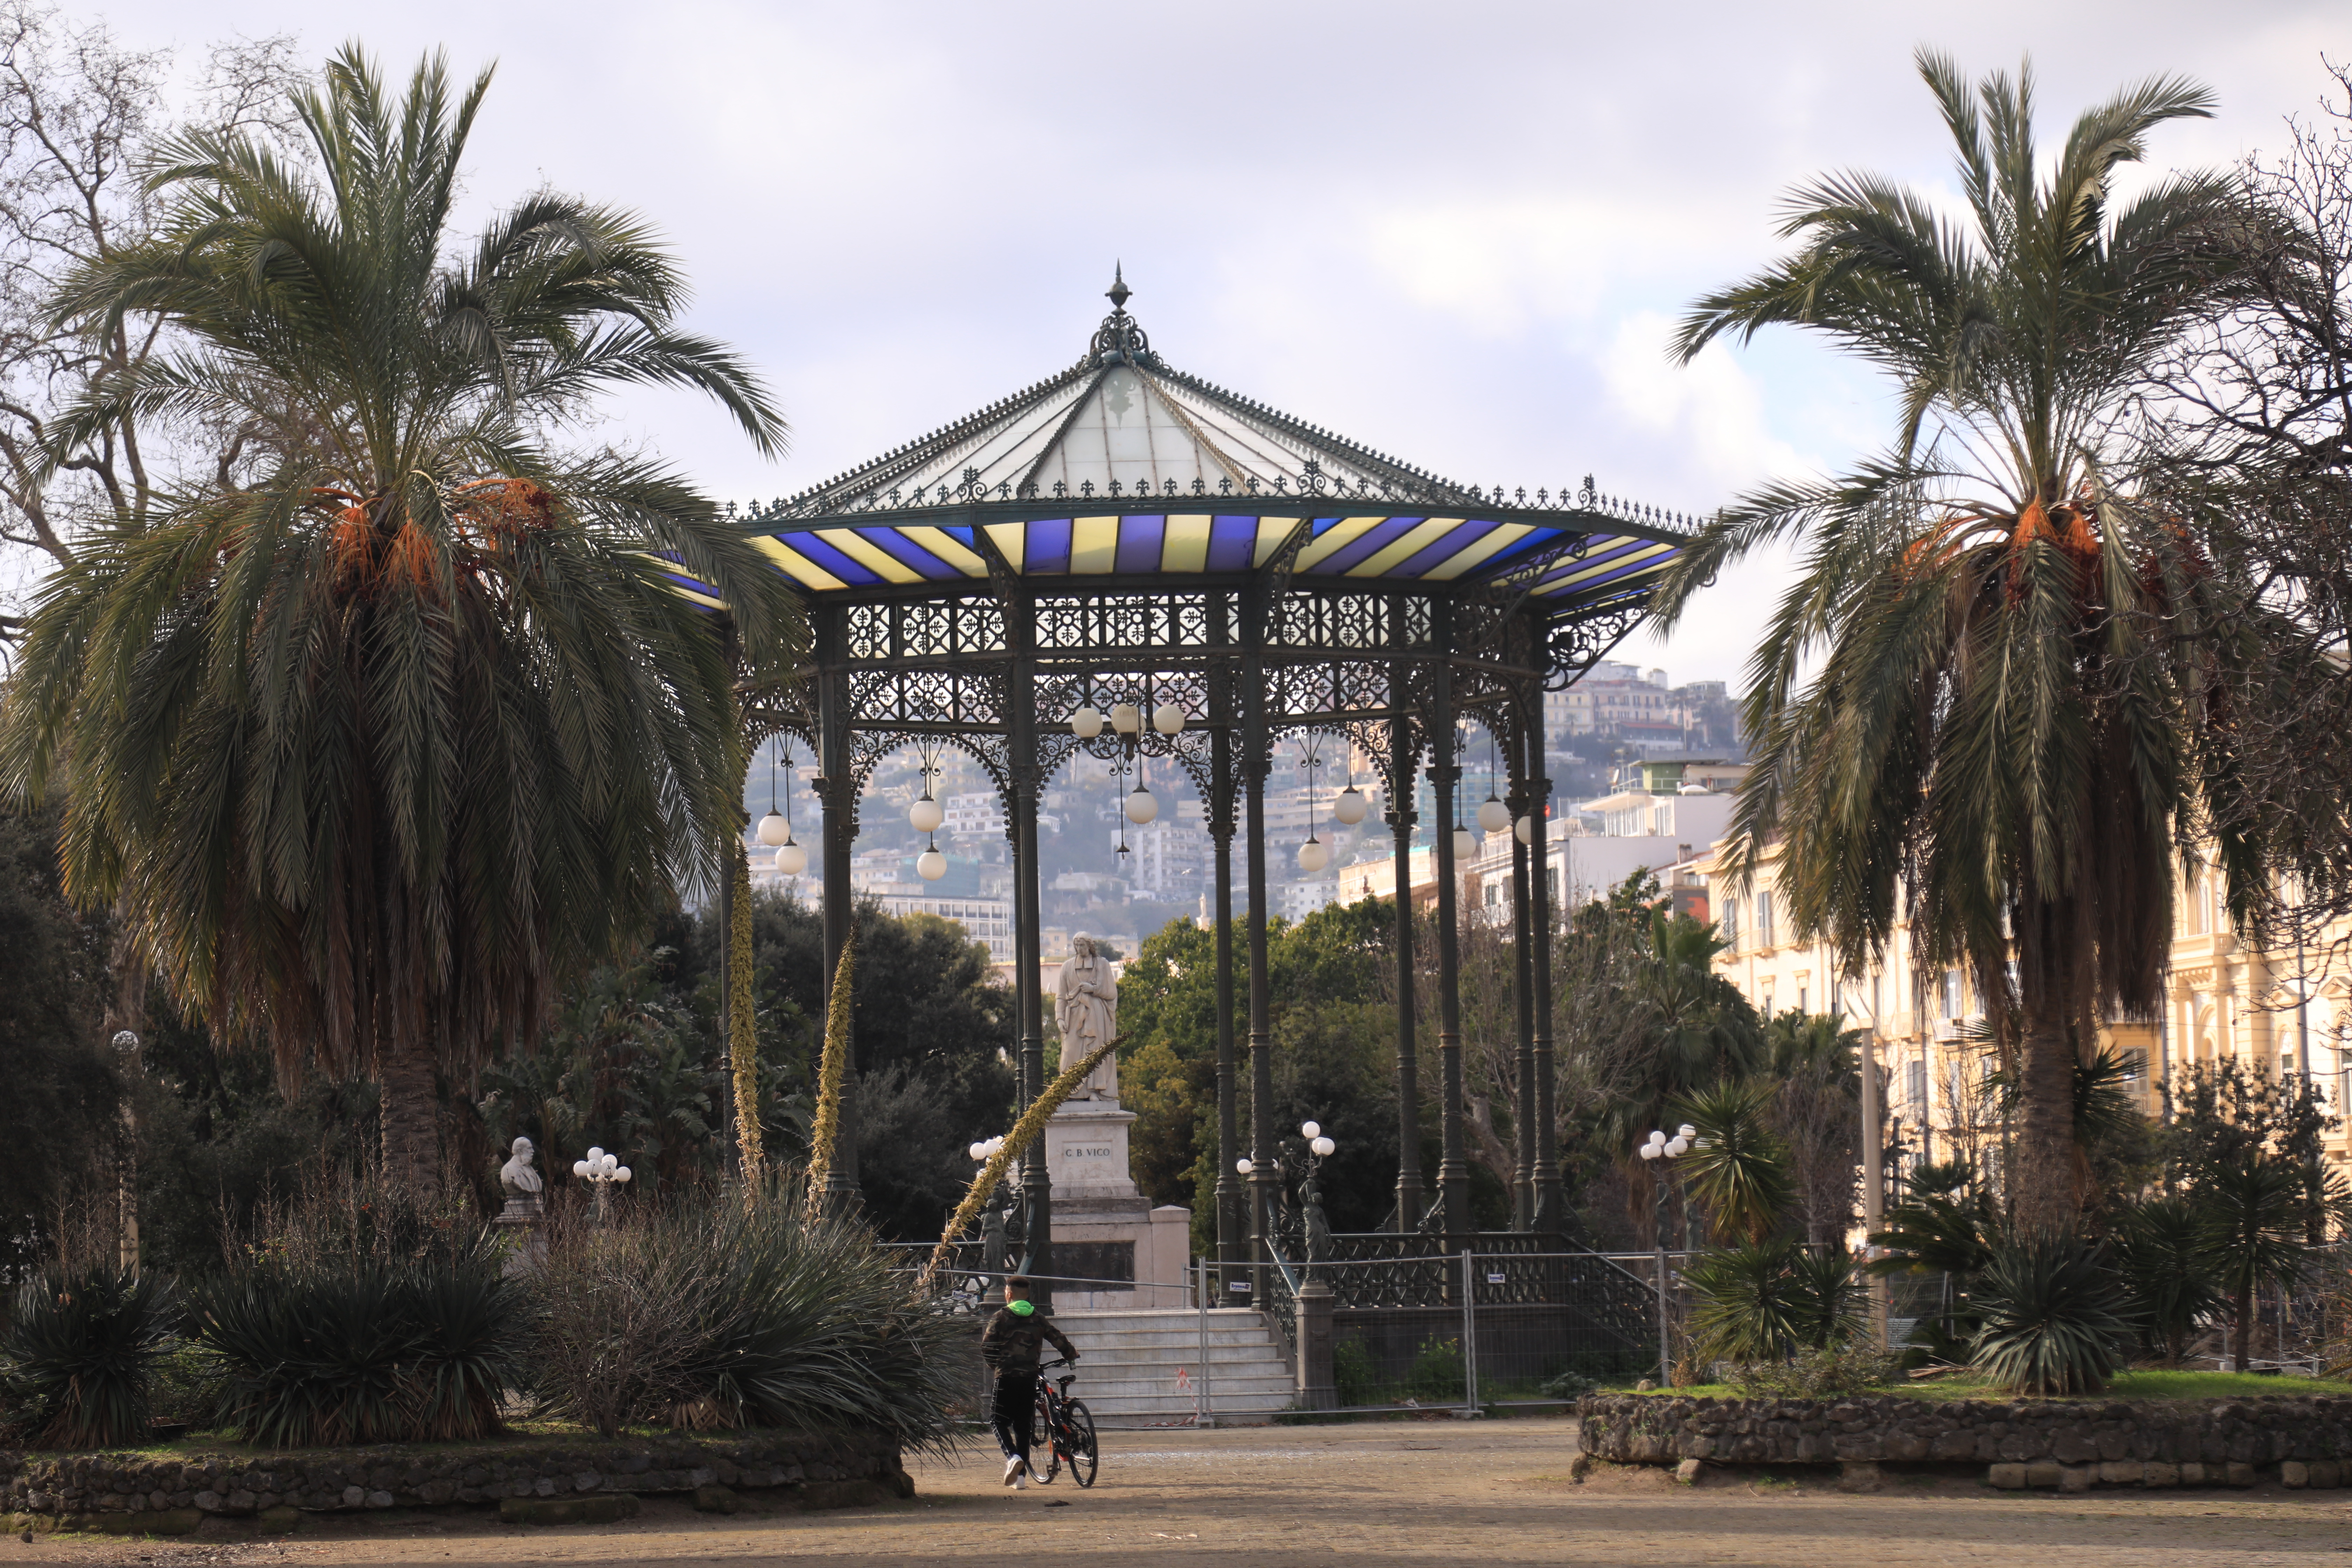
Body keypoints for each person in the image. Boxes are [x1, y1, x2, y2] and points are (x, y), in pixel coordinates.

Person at [979, 1275, 1077, 1489]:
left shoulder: (1000, 1317)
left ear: (1009, 1294)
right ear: (1028, 1295)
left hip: (1006, 1376)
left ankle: (1012, 1457)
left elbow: (987, 1347)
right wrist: (1070, 1354)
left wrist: (995, 1365)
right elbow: (1057, 1338)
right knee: (1024, 1426)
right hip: (1029, 1378)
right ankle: (1021, 1478)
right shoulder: (1038, 1318)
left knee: (998, 1421)